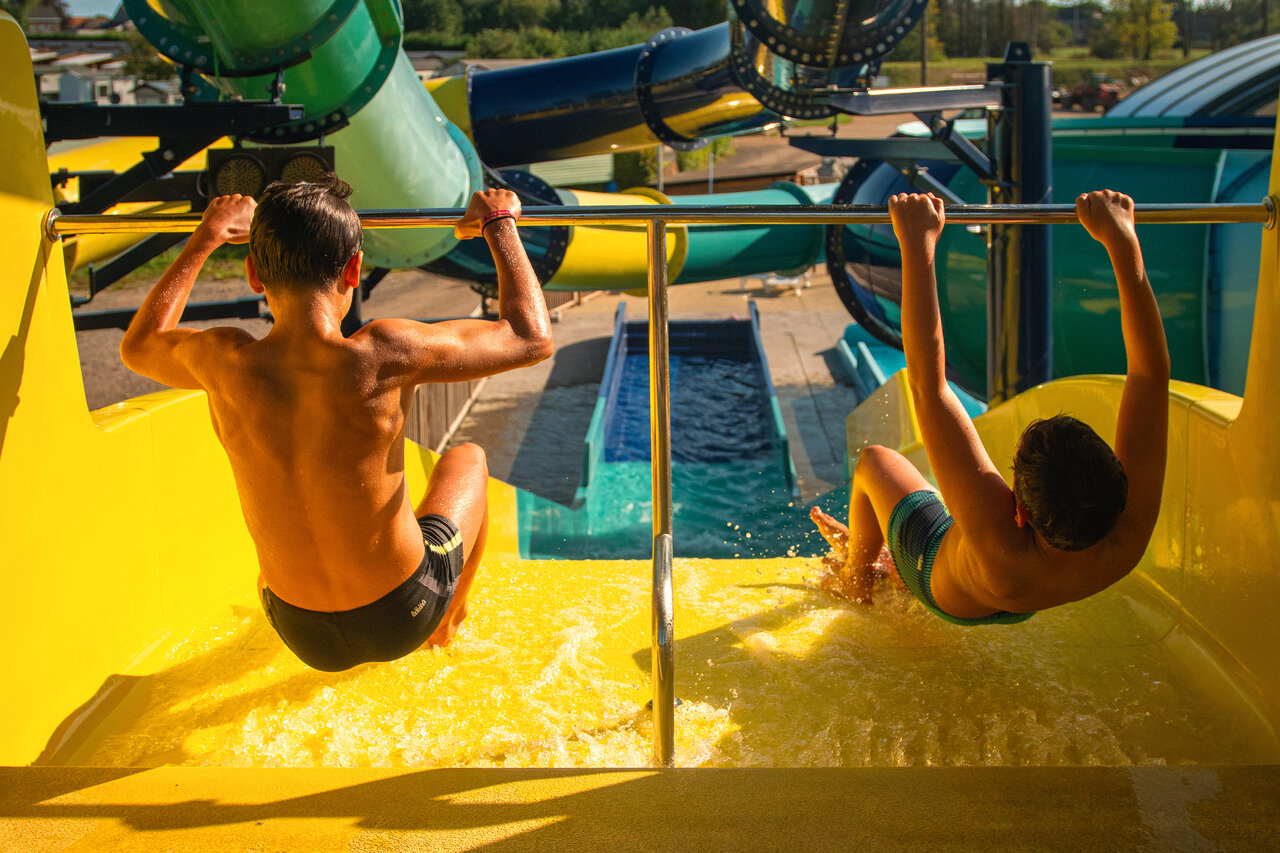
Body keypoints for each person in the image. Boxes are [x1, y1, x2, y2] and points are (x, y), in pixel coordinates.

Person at [120, 176, 553, 669]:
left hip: (299, 629)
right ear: (354, 270)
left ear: (254, 275)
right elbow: (529, 338)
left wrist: (208, 234)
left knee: (278, 558)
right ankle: (448, 620)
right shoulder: (384, 352)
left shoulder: (221, 359)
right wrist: (499, 222)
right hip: (404, 613)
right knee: (467, 458)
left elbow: (139, 344)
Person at [810, 190, 1170, 625]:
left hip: (939, 583)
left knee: (874, 462)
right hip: (1011, 593)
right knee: (957, 524)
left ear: (1016, 510)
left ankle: (857, 578)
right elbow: (1150, 376)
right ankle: (886, 562)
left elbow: (929, 386)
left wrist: (916, 245)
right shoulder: (1126, 537)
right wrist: (1123, 239)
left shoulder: (1000, 538)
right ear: (1120, 487)